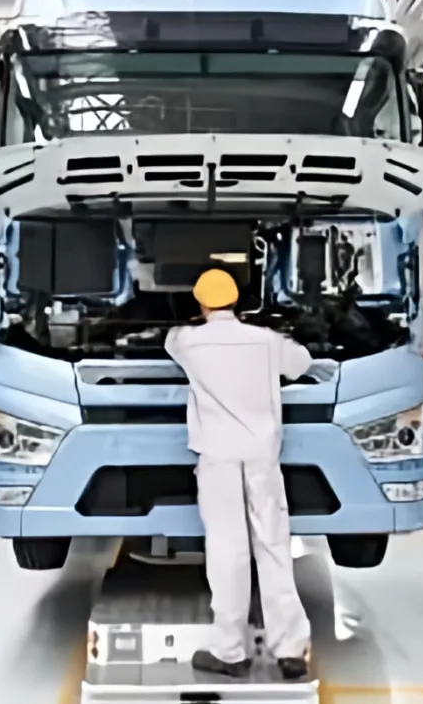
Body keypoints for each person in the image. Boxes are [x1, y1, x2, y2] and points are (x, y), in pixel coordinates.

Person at [164, 268, 312, 681]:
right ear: (237, 301)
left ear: (200, 303)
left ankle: (231, 651)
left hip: (218, 459)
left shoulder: (186, 341)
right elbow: (302, 363)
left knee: (227, 552)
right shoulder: (266, 341)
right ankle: (290, 650)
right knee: (274, 546)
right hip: (262, 457)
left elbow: (169, 339)